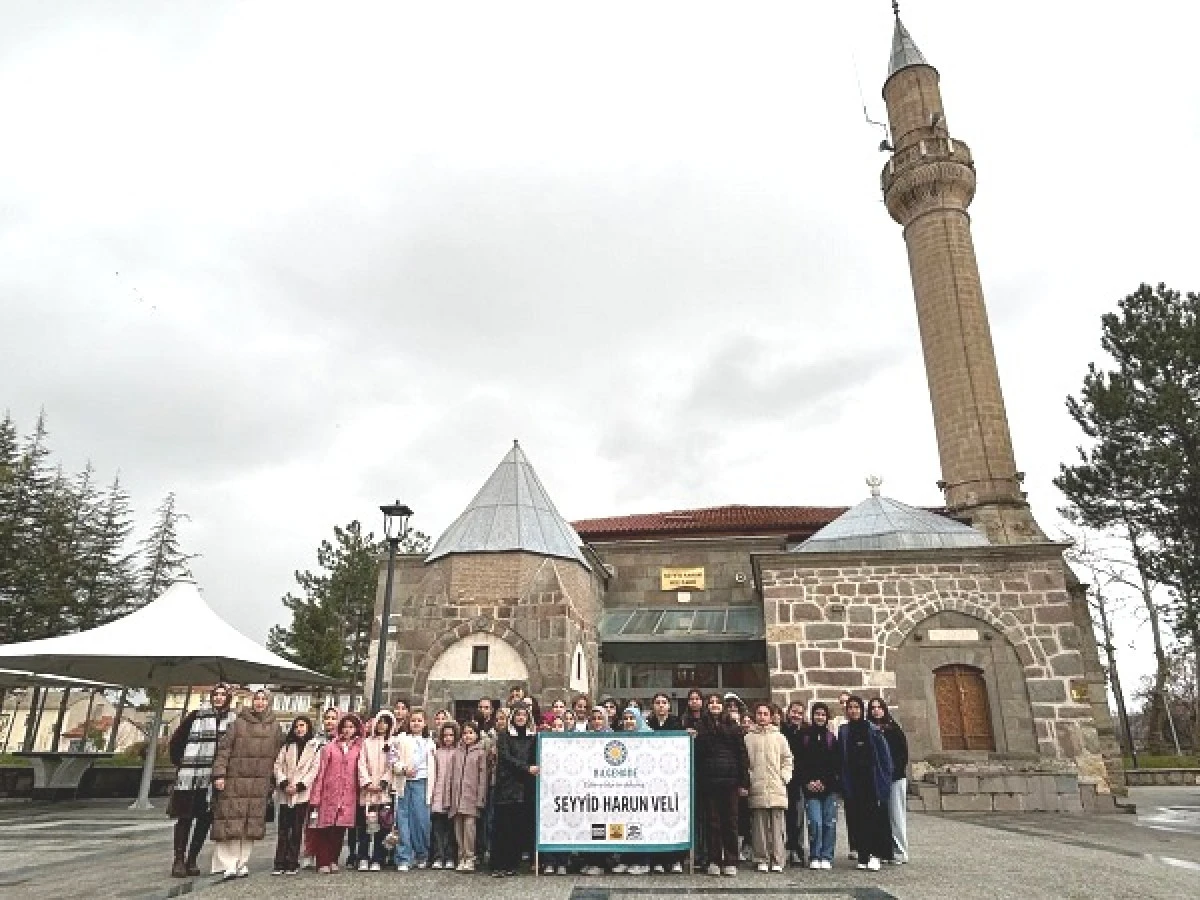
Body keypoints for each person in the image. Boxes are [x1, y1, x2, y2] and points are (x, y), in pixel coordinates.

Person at [210, 689, 282, 880]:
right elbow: (224, 750)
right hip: (235, 779)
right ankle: (228, 863)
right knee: (230, 822)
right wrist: (219, 774)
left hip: (260, 782)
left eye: (263, 699)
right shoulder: (238, 723)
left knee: (251, 825)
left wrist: (274, 781)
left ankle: (242, 862)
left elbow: (278, 756)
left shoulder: (275, 727)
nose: (259, 702)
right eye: (256, 699)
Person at [167, 683, 237, 877]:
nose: (219, 698)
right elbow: (177, 740)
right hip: (191, 776)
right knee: (185, 817)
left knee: (205, 819)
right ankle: (178, 859)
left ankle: (192, 859)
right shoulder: (196, 715)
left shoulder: (232, 720)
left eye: (223, 695)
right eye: (216, 694)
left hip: (214, 777)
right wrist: (181, 763)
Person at [696, 693, 749, 877]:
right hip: (710, 782)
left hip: (730, 782)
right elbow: (700, 753)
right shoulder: (701, 726)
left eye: (717, 702)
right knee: (713, 823)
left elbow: (742, 755)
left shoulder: (733, 727)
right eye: (711, 702)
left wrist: (744, 782)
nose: (714, 705)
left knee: (731, 822)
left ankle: (731, 860)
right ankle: (714, 860)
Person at [838, 696, 894, 872]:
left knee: (873, 818)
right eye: (850, 707)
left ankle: (876, 854)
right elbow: (841, 756)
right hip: (853, 781)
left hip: (871, 780)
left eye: (856, 707)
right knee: (857, 819)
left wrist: (884, 780)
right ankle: (863, 854)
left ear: (862, 710)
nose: (853, 710)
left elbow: (884, 757)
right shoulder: (844, 731)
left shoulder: (872, 729)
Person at [309, 714, 363, 874]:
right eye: (345, 726)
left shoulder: (359, 748)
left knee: (340, 830)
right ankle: (322, 860)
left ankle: (333, 859)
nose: (348, 730)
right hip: (329, 792)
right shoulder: (330, 747)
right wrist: (316, 795)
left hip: (348, 793)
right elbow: (321, 772)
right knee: (324, 828)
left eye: (351, 727)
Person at [744, 702, 792, 873]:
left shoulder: (779, 737)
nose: (762, 717)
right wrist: (749, 779)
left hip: (776, 786)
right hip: (757, 786)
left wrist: (784, 777)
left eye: (765, 714)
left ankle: (778, 858)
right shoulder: (748, 738)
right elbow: (745, 762)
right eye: (759, 713)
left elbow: (787, 759)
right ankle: (761, 858)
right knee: (759, 827)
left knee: (778, 827)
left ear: (771, 716)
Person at [491, 704, 538, 877]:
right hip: (506, 787)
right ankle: (498, 865)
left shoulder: (532, 737)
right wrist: (526, 768)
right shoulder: (504, 736)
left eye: (523, 715)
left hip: (523, 788)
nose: (520, 718)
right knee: (503, 827)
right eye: (517, 715)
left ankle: (512, 864)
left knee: (517, 828)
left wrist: (528, 770)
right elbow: (506, 758)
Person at [272, 715, 320, 876]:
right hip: (285, 791)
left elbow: (314, 770)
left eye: (303, 726)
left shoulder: (314, 748)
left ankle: (292, 861)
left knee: (297, 828)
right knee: (283, 828)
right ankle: (279, 861)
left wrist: (300, 786)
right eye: (297, 726)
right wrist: (284, 783)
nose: (300, 729)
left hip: (301, 793)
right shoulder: (286, 746)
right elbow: (278, 765)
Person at [299, 706, 342, 870]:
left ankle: (327, 854)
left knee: (331, 824)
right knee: (312, 821)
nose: (330, 721)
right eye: (327, 718)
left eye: (333, 718)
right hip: (315, 784)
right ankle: (309, 851)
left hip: (333, 786)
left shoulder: (341, 741)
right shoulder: (315, 741)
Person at [799, 702, 839, 870]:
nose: (820, 717)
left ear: (827, 717)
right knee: (815, 822)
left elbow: (835, 764)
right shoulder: (805, 737)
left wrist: (825, 782)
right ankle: (815, 854)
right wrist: (808, 782)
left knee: (829, 823)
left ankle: (827, 855)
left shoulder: (831, 738)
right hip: (811, 789)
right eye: (817, 714)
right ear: (812, 715)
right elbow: (801, 763)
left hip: (829, 788)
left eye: (823, 714)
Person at [868, 698, 909, 865]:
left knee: (896, 816)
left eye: (879, 707)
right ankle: (887, 850)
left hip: (894, 779)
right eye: (873, 708)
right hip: (879, 780)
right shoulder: (871, 730)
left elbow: (901, 755)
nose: (876, 711)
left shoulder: (893, 729)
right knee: (883, 817)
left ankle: (901, 852)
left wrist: (892, 774)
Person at [356, 709, 397, 870]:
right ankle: (363, 856)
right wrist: (367, 783)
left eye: (386, 723)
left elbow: (392, 765)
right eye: (380, 722)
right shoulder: (367, 743)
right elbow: (361, 764)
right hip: (367, 791)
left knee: (382, 825)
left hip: (383, 792)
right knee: (365, 826)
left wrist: (383, 783)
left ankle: (378, 858)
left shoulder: (393, 743)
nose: (382, 725)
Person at [396, 708, 435, 870]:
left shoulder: (430, 743)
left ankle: (422, 853)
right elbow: (392, 758)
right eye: (413, 720)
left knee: (421, 820)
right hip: (404, 781)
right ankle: (404, 857)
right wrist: (403, 768)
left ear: (425, 723)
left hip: (422, 782)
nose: (416, 723)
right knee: (403, 820)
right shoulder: (401, 739)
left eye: (419, 720)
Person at [449, 720, 489, 872]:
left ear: (477, 735)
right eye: (465, 733)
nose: (467, 736)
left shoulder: (480, 753)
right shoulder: (457, 752)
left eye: (471, 733)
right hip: (457, 797)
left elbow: (482, 777)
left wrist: (480, 798)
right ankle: (461, 857)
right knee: (458, 829)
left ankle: (470, 857)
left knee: (469, 828)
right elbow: (451, 776)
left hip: (471, 797)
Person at [429, 721, 461, 869]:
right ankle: (438, 856)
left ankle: (449, 856)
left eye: (451, 735)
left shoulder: (458, 753)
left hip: (453, 795)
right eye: (445, 735)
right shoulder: (437, 752)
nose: (448, 738)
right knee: (437, 829)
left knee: (451, 829)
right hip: (438, 794)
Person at [780, 701, 807, 867]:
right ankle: (784, 848)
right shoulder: (782, 732)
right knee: (784, 816)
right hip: (783, 779)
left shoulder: (806, 732)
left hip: (799, 780)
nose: (796, 715)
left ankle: (796, 848)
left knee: (798, 817)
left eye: (799, 713)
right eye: (793, 712)